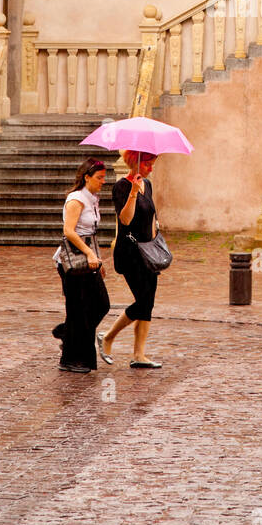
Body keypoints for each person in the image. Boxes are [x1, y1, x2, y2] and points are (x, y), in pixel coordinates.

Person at [98, 150, 163, 369]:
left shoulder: (149, 184)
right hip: (130, 252)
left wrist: (155, 243)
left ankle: (139, 355)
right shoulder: (121, 187)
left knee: (149, 303)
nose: (150, 168)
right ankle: (108, 337)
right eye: (147, 164)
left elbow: (151, 218)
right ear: (134, 162)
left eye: (153, 164)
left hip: (148, 252)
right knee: (143, 300)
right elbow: (125, 219)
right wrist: (134, 192)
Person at [52, 157, 111, 374]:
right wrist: (88, 253)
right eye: (99, 178)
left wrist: (98, 259)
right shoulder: (76, 199)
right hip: (73, 260)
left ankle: (69, 335)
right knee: (78, 310)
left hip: (89, 258)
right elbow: (69, 231)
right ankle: (72, 359)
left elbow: (92, 234)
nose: (103, 181)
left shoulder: (93, 198)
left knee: (101, 304)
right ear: (87, 177)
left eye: (104, 177)